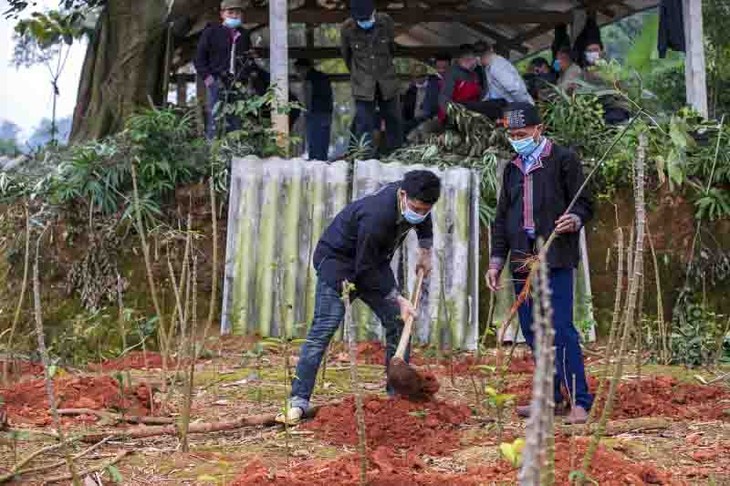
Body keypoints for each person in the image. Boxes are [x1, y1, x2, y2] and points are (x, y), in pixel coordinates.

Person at [275, 170, 442, 425]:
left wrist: (425, 250)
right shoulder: (377, 216)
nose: (418, 214)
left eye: (424, 210)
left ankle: (396, 396)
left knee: (398, 322)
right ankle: (298, 400)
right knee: (324, 328)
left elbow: (422, 221)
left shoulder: (415, 199)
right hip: (339, 264)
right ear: (402, 195)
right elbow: (364, 268)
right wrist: (397, 297)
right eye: (415, 208)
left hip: (373, 262)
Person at [487, 102, 594, 425]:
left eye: (522, 134)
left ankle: (579, 400)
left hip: (555, 256)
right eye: (512, 134)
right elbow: (502, 218)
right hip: (523, 260)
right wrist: (495, 261)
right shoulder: (512, 168)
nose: (517, 139)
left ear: (539, 130)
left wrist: (574, 219)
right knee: (533, 332)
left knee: (560, 329)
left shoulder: (564, 160)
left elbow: (586, 202)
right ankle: (550, 397)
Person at [341, 0, 401, 156]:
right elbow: (347, 56)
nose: (364, 22)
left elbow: (392, 49)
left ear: (374, 12)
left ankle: (396, 153)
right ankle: (364, 156)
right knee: (363, 122)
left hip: (386, 80)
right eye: (360, 20)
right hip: (363, 84)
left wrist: (382, 70)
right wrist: (360, 74)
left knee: (393, 119)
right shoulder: (347, 29)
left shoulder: (385, 22)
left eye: (366, 19)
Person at [194, 0, 254, 139]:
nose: (234, 15)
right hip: (217, 80)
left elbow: (248, 59)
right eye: (230, 12)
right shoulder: (211, 32)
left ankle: (234, 154)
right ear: (222, 14)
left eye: (237, 13)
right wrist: (210, 80)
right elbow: (199, 59)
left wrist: (247, 78)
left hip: (238, 83)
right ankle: (214, 155)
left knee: (236, 120)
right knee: (215, 119)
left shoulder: (244, 35)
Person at [294, 59, 333, 161]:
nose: (298, 74)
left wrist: (305, 112)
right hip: (326, 114)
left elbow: (307, 98)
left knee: (314, 143)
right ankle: (322, 163)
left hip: (315, 114)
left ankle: (315, 165)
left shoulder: (309, 79)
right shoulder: (323, 77)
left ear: (304, 68)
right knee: (323, 143)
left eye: (298, 71)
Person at [439, 44, 482, 123]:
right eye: (475, 59)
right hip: (455, 117)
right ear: (467, 59)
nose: (476, 62)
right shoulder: (452, 73)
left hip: (470, 116)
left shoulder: (474, 74)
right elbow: (444, 97)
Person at [402, 63, 440, 135]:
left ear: (426, 76)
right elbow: (406, 109)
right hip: (413, 120)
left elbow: (437, 106)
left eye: (421, 76)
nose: (419, 78)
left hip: (428, 118)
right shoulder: (411, 91)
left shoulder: (434, 88)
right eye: (416, 77)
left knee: (419, 131)